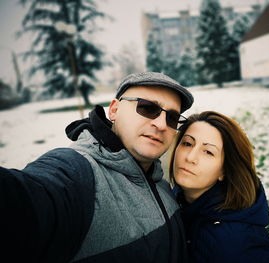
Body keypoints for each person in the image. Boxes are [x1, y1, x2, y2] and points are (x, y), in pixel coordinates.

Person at [0, 72, 194, 263]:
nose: (161, 124)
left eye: (172, 118)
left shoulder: (161, 181)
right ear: (114, 110)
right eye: (147, 108)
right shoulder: (77, 172)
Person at [169, 111, 269, 263]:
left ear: (224, 171)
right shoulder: (176, 198)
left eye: (208, 152)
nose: (190, 157)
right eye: (187, 143)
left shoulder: (231, 242)